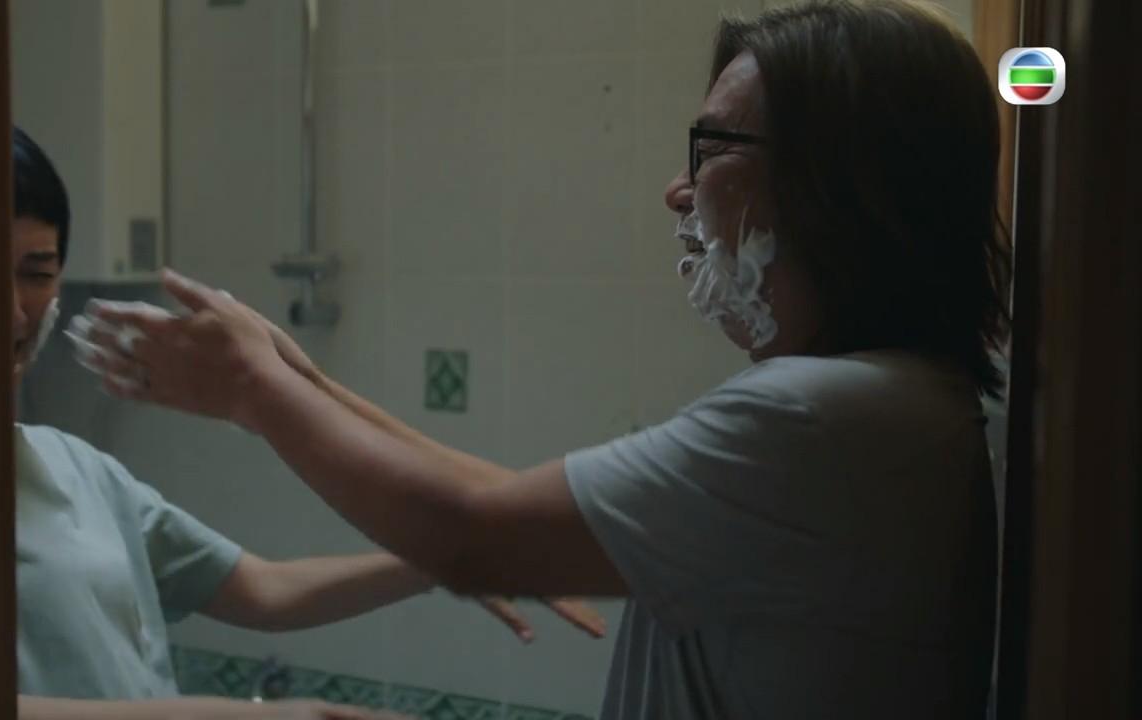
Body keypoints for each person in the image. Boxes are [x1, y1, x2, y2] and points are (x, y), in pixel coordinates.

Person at [77, 1, 1011, 718]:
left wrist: (253, 390)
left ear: (840, 178)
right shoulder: (893, 403)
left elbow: (475, 534)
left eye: (714, 149)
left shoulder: (822, 416)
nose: (678, 190)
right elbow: (506, 505)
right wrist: (306, 384)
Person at [8, 127, 604, 720]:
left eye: (36, 273)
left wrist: (444, 560)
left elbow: (263, 588)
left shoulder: (78, 469)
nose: (13, 312)